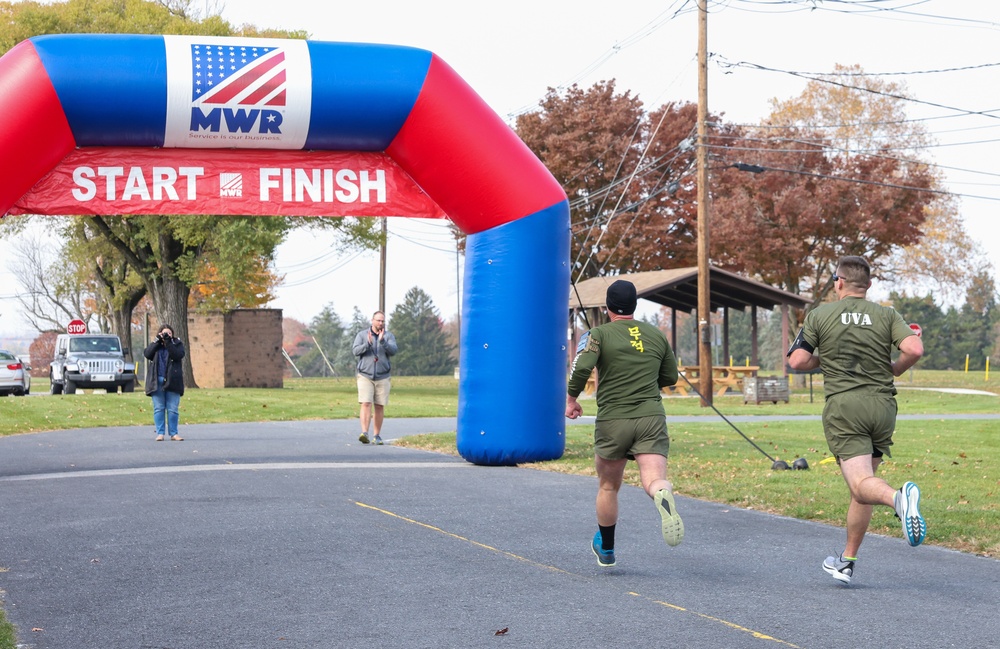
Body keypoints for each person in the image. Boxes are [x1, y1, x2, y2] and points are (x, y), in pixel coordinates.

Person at [787, 255, 926, 585]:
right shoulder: (887, 314)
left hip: (845, 408)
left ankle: (899, 499)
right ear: (868, 285)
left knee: (862, 485)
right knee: (863, 487)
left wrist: (828, 360)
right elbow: (914, 349)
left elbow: (798, 360)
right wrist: (893, 368)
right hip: (882, 407)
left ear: (838, 282)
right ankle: (847, 561)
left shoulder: (820, 315)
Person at [566, 279, 683, 568]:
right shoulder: (655, 334)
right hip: (651, 418)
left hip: (613, 420)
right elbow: (670, 378)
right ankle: (662, 493)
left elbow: (581, 366)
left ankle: (606, 549)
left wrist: (571, 400)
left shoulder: (598, 334)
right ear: (634, 306)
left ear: (607, 308)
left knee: (608, 486)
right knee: (653, 479)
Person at [352, 311, 398, 446]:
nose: (380, 323)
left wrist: (383, 341)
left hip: (383, 376)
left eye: (383, 321)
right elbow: (355, 351)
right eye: (378, 320)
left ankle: (376, 435)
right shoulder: (362, 335)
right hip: (365, 375)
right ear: (372, 321)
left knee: (379, 405)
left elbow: (393, 351)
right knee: (366, 403)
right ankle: (364, 433)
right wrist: (367, 343)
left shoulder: (389, 336)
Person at [143, 324, 186, 442]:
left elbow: (177, 355)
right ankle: (160, 433)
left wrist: (169, 342)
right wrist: (157, 341)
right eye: (164, 334)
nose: (166, 336)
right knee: (159, 408)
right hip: (157, 380)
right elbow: (147, 354)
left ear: (173, 334)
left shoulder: (177, 344)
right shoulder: (156, 346)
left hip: (173, 381)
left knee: (172, 409)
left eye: (169, 333)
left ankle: (174, 434)